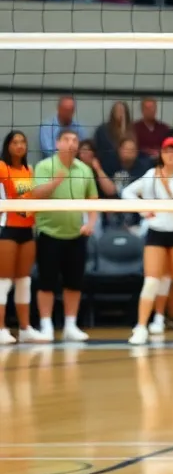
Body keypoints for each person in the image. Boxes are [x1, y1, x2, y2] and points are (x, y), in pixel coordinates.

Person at [123, 138, 173, 346]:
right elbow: (126, 192)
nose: (171, 154)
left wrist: (166, 184)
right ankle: (140, 328)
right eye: (167, 150)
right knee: (151, 281)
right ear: (161, 154)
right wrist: (142, 209)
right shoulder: (150, 175)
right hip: (156, 232)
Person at [31, 130, 99, 342]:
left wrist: (90, 222)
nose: (71, 143)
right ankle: (46, 326)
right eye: (66, 139)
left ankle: (70, 325)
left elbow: (93, 199)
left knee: (74, 283)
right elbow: (34, 195)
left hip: (76, 234)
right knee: (47, 283)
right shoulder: (44, 166)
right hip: (49, 233)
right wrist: (55, 182)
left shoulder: (84, 169)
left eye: (74, 140)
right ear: (57, 143)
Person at [0, 131, 51, 343]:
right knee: (3, 281)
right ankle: (1, 328)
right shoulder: (2, 168)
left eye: (23, 142)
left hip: (27, 229)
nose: (20, 146)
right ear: (8, 146)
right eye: (15, 142)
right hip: (7, 228)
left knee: (24, 281)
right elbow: (15, 195)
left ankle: (25, 328)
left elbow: (31, 201)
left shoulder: (30, 170)